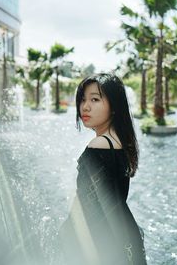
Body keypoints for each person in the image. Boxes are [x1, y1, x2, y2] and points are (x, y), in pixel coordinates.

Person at [59, 73, 147, 265]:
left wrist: (65, 235)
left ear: (114, 106)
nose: (85, 107)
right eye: (82, 100)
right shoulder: (121, 142)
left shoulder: (99, 145)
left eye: (95, 99)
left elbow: (84, 206)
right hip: (124, 235)